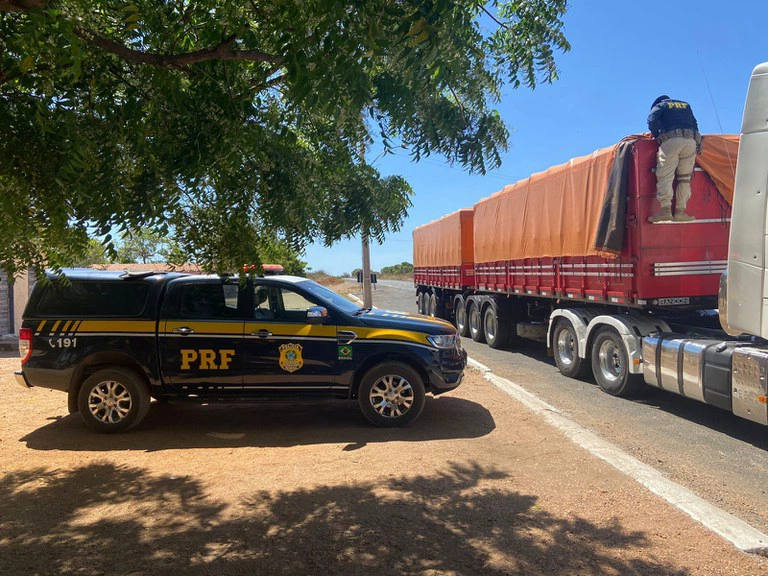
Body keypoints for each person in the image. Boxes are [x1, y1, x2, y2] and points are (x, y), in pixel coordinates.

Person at [647, 95, 702, 223]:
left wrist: (657, 135)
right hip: (690, 142)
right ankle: (680, 212)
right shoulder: (685, 105)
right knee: (684, 178)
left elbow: (651, 120)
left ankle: (665, 211)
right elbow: (695, 125)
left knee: (665, 176)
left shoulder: (660, 105)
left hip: (671, 141)